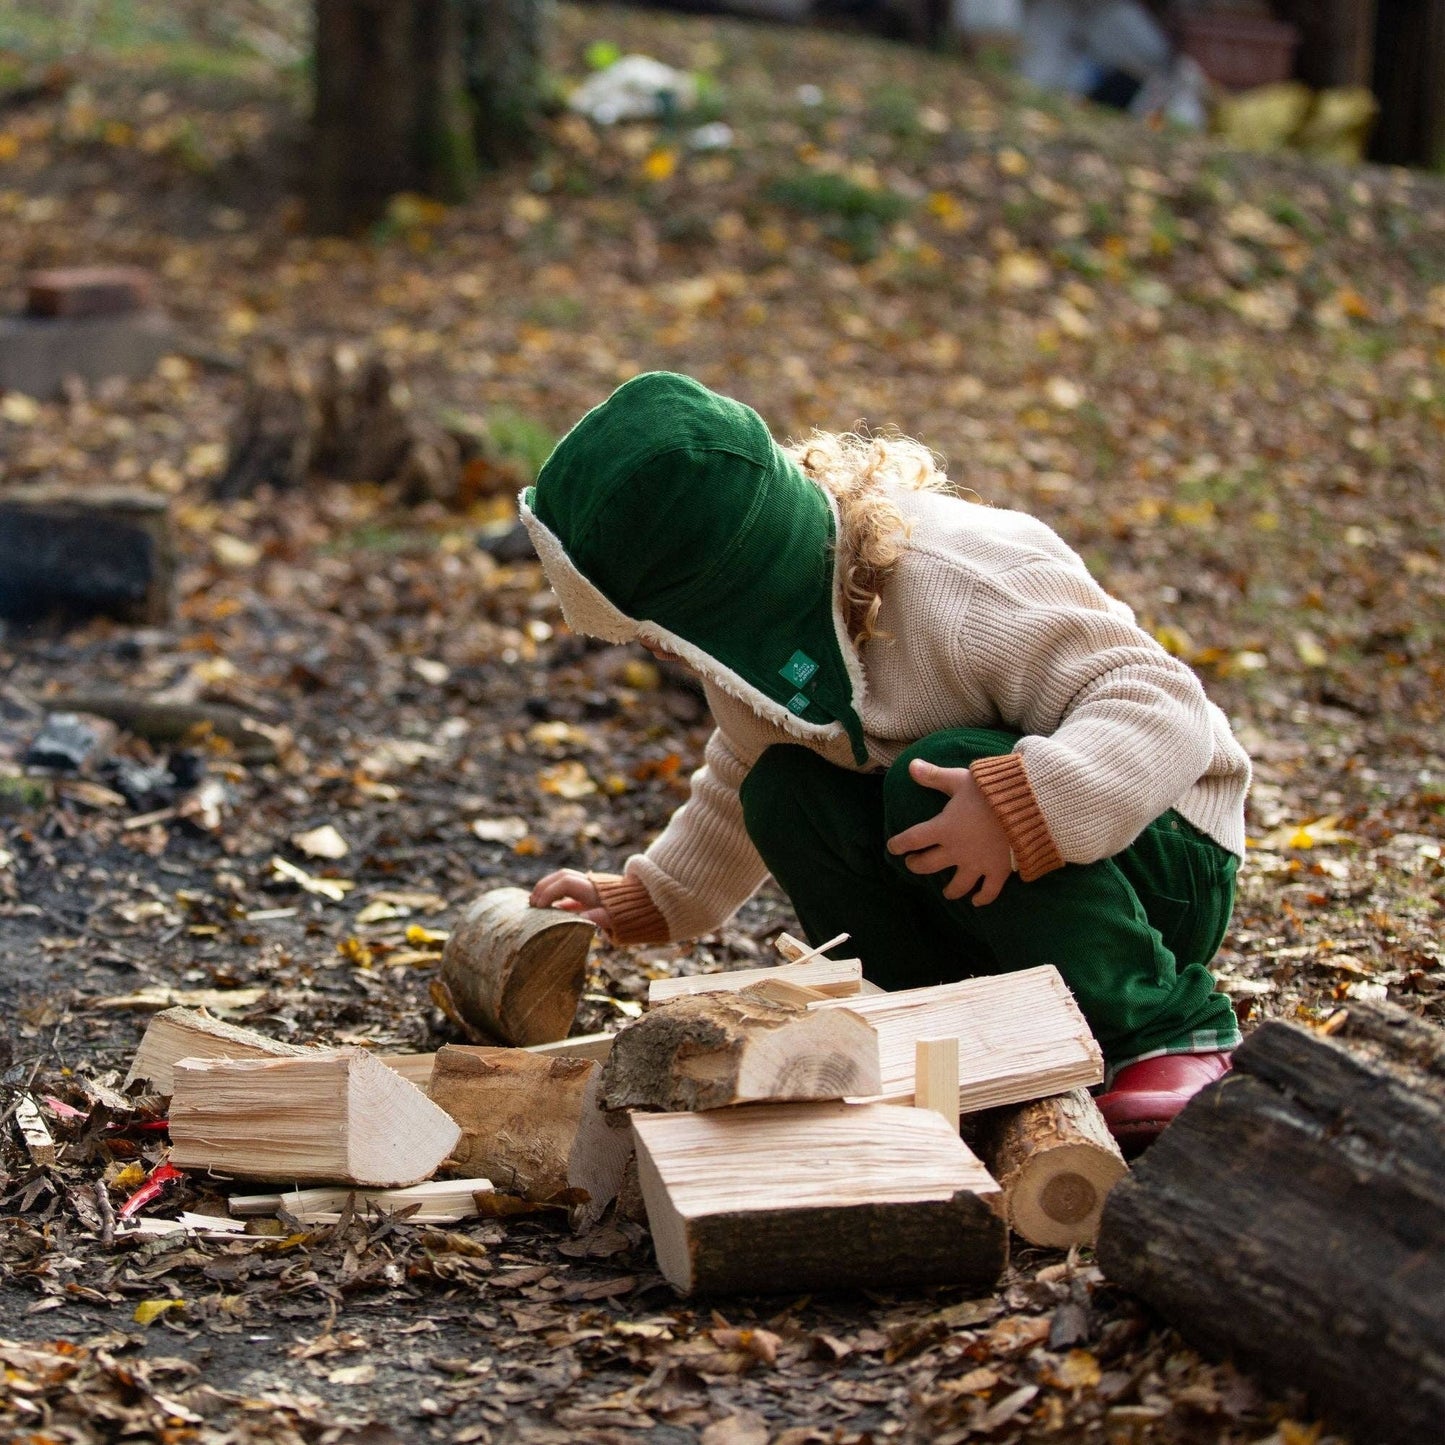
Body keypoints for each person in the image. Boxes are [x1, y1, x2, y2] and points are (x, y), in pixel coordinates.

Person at [522, 372, 1250, 1147]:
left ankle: (1168, 1030)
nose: (654, 647)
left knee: (934, 774)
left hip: (1154, 862)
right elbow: (737, 779)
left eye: (654, 627)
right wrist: (648, 895)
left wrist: (1026, 801)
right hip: (990, 893)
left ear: (724, 593)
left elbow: (1161, 701)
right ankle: (934, 1025)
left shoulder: (961, 584)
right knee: (787, 790)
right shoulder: (753, 655)